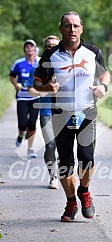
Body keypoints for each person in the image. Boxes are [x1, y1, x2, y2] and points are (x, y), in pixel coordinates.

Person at [33, 11, 110, 222]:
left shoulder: (93, 52)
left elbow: (104, 74)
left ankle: (84, 191)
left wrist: (102, 87)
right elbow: (36, 82)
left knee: (87, 158)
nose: (72, 30)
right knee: (66, 162)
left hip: (87, 113)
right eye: (68, 26)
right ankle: (70, 202)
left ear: (82, 28)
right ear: (61, 29)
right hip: (61, 115)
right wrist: (48, 86)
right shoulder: (50, 55)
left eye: (76, 26)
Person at [28, 35, 60, 189]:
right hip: (46, 111)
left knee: (64, 146)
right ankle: (53, 176)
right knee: (50, 145)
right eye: (49, 46)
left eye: (55, 45)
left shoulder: (65, 66)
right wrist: (39, 91)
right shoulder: (38, 67)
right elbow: (31, 88)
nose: (51, 48)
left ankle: (64, 173)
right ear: (45, 48)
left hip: (65, 112)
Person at [9, 39, 40, 158]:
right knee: (22, 124)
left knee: (32, 124)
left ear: (35, 49)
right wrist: (16, 85)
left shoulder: (40, 62)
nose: (29, 49)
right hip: (22, 97)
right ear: (24, 49)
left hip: (35, 97)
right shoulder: (19, 63)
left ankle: (30, 149)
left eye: (31, 46)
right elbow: (12, 76)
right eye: (26, 47)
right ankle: (21, 135)